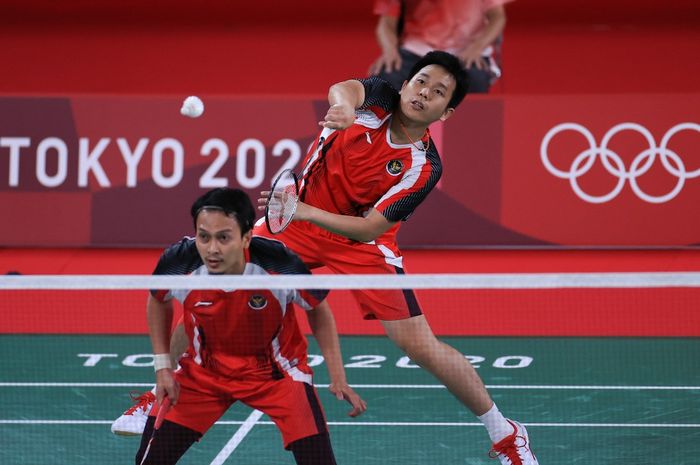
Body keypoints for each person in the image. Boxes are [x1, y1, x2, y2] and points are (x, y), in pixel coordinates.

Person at [132, 188, 366, 465]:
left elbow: (318, 309)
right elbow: (158, 301)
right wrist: (163, 368)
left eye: (223, 238)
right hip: (203, 374)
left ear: (246, 237)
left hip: (276, 376)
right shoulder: (180, 261)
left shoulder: (279, 264)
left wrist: (337, 374)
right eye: (203, 237)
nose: (212, 249)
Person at [368, 0, 512, 93]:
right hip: (415, 51)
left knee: (475, 79)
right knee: (387, 75)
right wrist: (390, 50)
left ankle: (468, 136)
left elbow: (497, 18)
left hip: (464, 52)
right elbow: (387, 23)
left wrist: (476, 47)